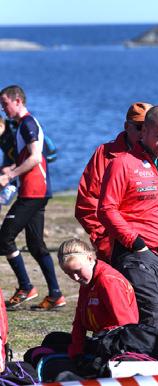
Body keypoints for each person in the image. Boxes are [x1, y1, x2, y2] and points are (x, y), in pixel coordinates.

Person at [98, 105, 158, 336]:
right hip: (135, 255)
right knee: (156, 314)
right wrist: (136, 243)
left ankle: (143, 363)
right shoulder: (122, 163)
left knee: (152, 313)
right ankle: (157, 366)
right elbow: (106, 209)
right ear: (143, 131)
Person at [0, 85, 65, 311]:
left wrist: (11, 174)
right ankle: (56, 294)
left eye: (4, 104)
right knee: (36, 245)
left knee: (4, 237)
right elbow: (25, 157)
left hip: (34, 192)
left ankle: (26, 287)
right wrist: (11, 169)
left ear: (17, 101)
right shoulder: (21, 125)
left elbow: (36, 157)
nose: (3, 108)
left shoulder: (28, 123)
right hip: (34, 191)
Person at [75, 102, 153, 263]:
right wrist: (105, 241)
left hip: (152, 245)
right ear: (127, 126)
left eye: (149, 128)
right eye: (139, 127)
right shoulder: (105, 155)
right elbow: (87, 203)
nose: (144, 133)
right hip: (114, 246)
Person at [57, 238, 139, 359]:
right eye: (69, 273)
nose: (75, 277)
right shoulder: (87, 281)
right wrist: (76, 351)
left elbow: (127, 325)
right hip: (100, 339)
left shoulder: (108, 281)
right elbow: (79, 321)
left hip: (114, 345)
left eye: (77, 271)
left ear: (90, 259)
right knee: (54, 340)